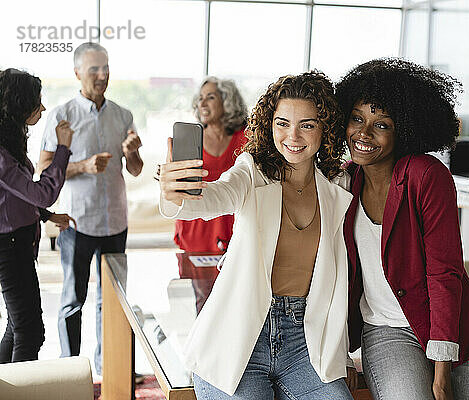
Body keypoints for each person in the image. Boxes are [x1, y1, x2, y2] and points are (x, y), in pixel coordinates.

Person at [159, 71, 354, 399]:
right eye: (282, 123)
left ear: (325, 128)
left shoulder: (338, 184)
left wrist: (343, 351)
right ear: (269, 124)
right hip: (238, 336)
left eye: (306, 124)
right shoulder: (252, 172)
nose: (292, 135)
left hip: (304, 343)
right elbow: (214, 196)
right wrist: (174, 193)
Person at [336, 58, 469, 400]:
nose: (363, 133)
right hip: (387, 330)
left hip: (457, 328)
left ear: (405, 130)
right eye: (357, 119)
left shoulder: (426, 176)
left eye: (381, 124)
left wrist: (441, 372)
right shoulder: (341, 182)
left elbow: (444, 271)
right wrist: (337, 352)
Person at [37, 42, 143, 374]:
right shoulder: (61, 115)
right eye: (94, 69)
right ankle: (71, 371)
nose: (102, 76)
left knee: (112, 302)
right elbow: (43, 169)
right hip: (76, 224)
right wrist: (82, 166)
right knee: (72, 301)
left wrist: (133, 153)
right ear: (78, 73)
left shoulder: (123, 115)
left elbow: (136, 169)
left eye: (106, 68)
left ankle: (109, 368)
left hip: (115, 222)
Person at [0, 68, 75, 363]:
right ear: (18, 104)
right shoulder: (2, 154)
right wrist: (63, 147)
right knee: (30, 332)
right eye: (37, 101)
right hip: (10, 247)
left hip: (17, 242)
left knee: (17, 327)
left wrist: (46, 215)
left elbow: (14, 196)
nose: (42, 108)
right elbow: (41, 191)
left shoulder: (9, 141)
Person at [174, 77, 247, 253]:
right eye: (200, 98)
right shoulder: (189, 139)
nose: (203, 103)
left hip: (235, 224)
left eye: (211, 97)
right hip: (197, 226)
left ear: (227, 101)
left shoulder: (246, 138)